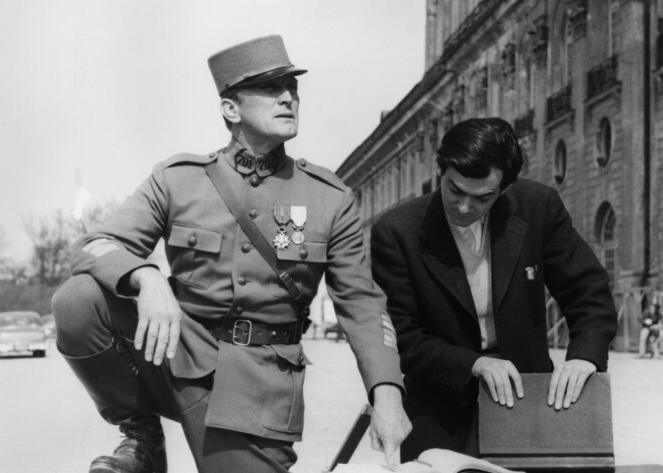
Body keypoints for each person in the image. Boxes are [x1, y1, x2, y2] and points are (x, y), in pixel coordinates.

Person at [51, 35, 410, 473]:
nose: (288, 98)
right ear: (231, 109)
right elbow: (94, 245)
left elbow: (362, 303)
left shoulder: (329, 198)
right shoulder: (177, 180)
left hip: (257, 388)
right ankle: (142, 438)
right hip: (176, 357)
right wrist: (144, 276)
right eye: (270, 88)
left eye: (292, 88)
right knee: (78, 299)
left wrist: (387, 393)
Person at [370, 117, 618, 460]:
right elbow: (403, 335)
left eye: (482, 198)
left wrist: (585, 357)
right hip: (439, 410)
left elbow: (588, 290)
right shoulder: (396, 232)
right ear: (441, 171)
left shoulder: (538, 206)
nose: (463, 207)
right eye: (454, 189)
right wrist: (475, 363)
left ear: (503, 189)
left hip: (528, 402)